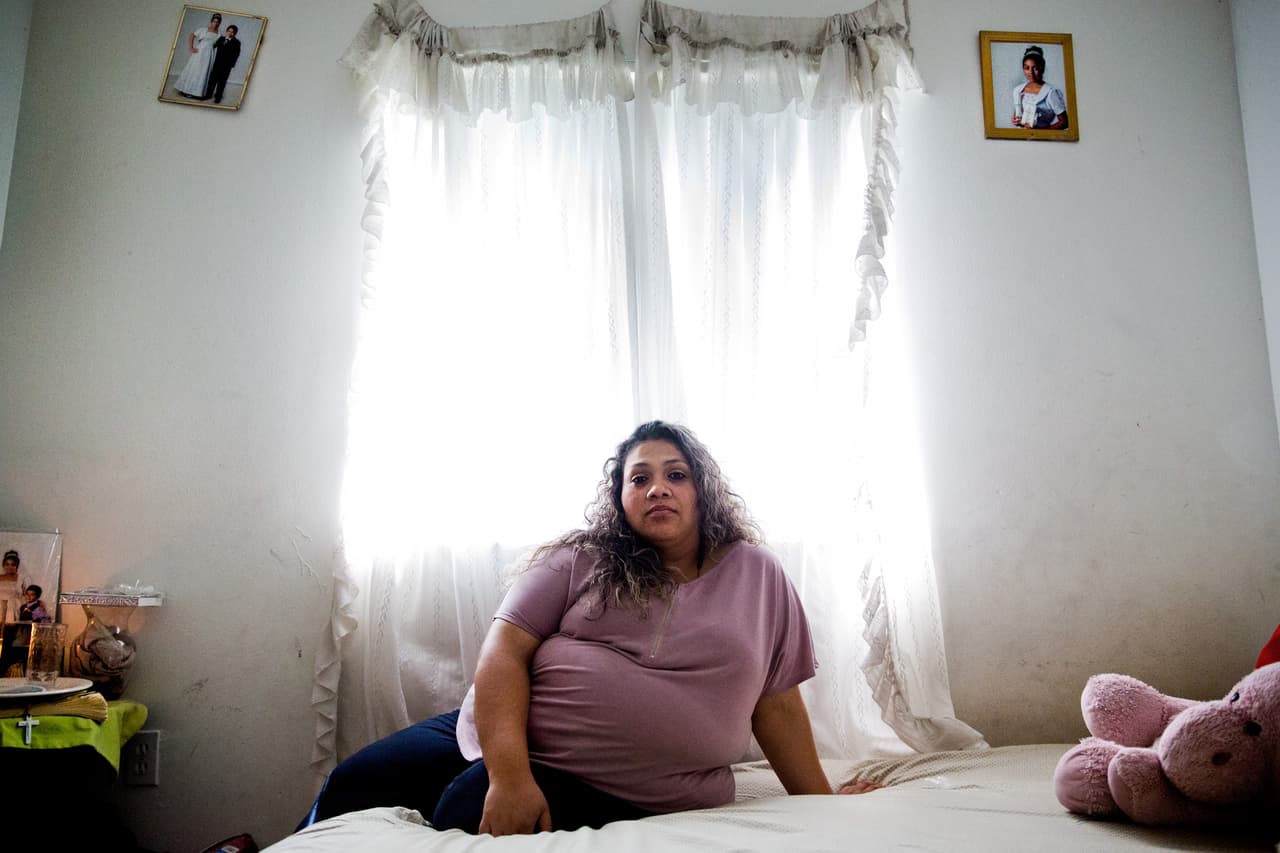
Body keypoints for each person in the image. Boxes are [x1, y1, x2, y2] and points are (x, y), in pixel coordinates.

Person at [303, 421, 874, 836]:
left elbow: (775, 703)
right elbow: (503, 652)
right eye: (639, 478)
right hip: (501, 730)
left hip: (618, 785)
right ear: (620, 497)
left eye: (676, 474)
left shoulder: (758, 573)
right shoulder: (582, 558)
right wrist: (510, 775)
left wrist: (820, 801)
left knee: (460, 813)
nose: (657, 488)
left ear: (703, 490)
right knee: (353, 782)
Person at [1010, 45, 1068, 130]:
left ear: (1042, 68)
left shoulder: (1050, 92)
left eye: (1035, 68)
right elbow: (1019, 115)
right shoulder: (1018, 90)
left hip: (1042, 140)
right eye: (1027, 68)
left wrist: (1041, 132)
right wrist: (1016, 120)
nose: (1031, 72)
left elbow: (1065, 122)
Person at [174, 13, 222, 99]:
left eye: (218, 22)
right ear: (211, 22)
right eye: (214, 21)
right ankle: (186, 90)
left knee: (203, 72)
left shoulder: (219, 35)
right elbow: (192, 35)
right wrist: (191, 47)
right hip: (200, 52)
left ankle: (198, 92)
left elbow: (215, 45)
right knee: (195, 70)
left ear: (219, 23)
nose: (216, 23)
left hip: (209, 55)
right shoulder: (203, 29)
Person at [204, 24, 242, 104]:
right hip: (217, 64)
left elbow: (236, 54)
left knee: (222, 82)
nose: (230, 33)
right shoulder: (221, 39)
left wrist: (231, 64)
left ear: (235, 33)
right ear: (226, 31)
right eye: (229, 31)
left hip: (226, 66)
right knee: (212, 80)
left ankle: (218, 97)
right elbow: (213, 46)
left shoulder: (237, 42)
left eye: (232, 32)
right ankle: (208, 95)